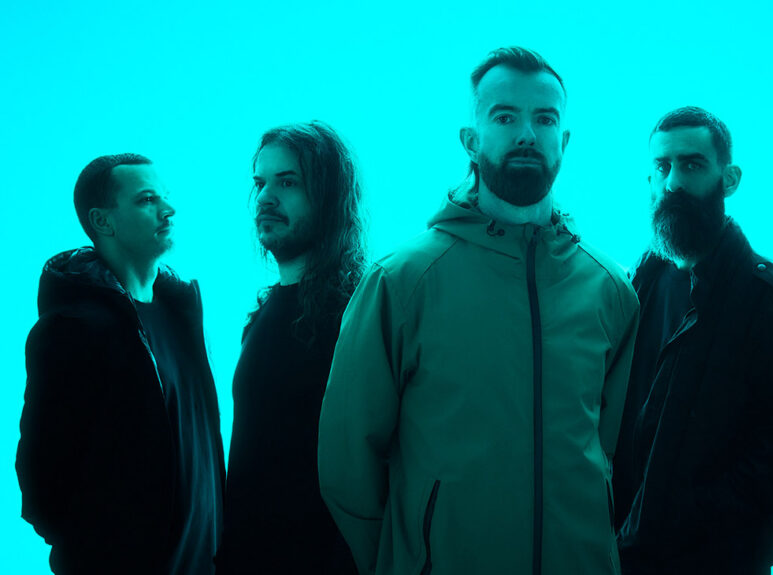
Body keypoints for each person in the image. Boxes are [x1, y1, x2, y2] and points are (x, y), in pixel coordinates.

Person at [318, 46, 640, 575]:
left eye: (544, 118)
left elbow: (615, 453)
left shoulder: (609, 288)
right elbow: (347, 461)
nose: (527, 134)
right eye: (505, 116)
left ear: (565, 140)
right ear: (471, 140)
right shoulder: (403, 281)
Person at [616, 107, 773, 575]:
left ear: (729, 179)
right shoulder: (639, 283)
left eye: (691, 165)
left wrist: (688, 513)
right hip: (625, 554)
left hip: (720, 560)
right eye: (661, 167)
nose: (672, 183)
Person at [16, 154, 225, 574]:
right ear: (103, 221)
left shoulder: (181, 315)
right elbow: (40, 481)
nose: (168, 210)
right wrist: (106, 550)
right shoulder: (73, 328)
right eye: (147, 199)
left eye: (165, 198)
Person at [214, 121, 363, 574]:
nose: (265, 197)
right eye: (260, 182)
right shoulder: (261, 316)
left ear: (328, 196)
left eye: (288, 182)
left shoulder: (358, 314)